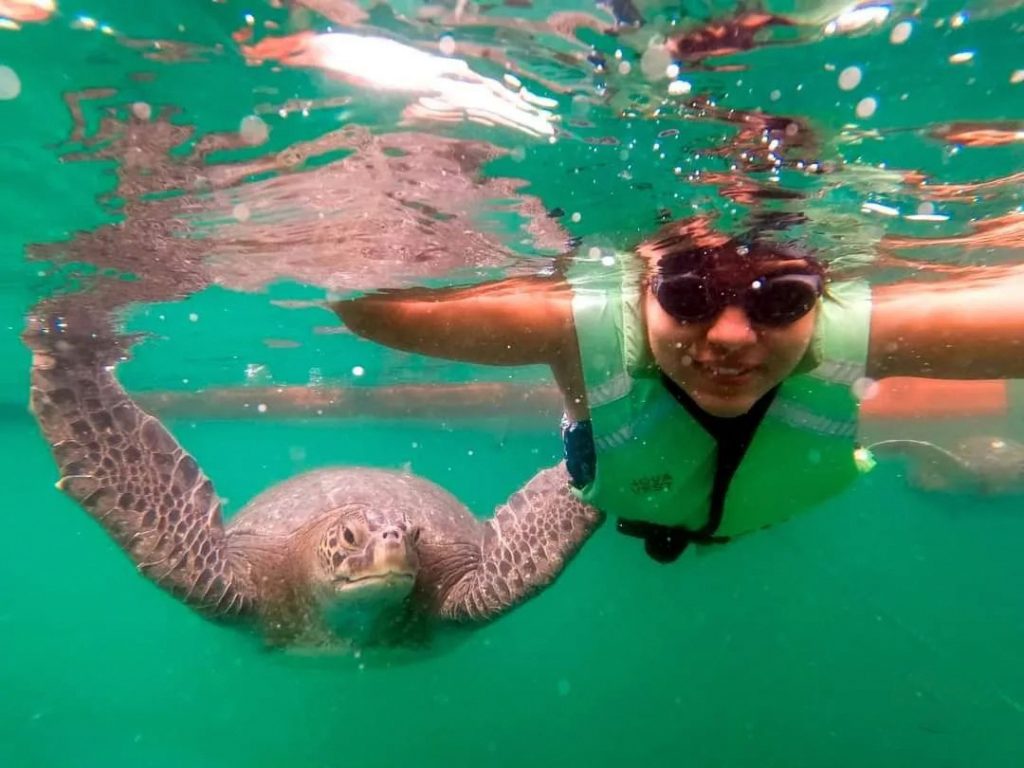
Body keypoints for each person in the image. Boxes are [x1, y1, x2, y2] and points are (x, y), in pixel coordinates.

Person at [332, 216, 1024, 563]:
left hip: (765, 500)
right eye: (689, 294)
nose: (729, 336)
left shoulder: (857, 333)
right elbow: (364, 306)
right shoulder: (573, 331)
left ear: (821, 299)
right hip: (637, 493)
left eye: (779, 300)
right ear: (641, 292)